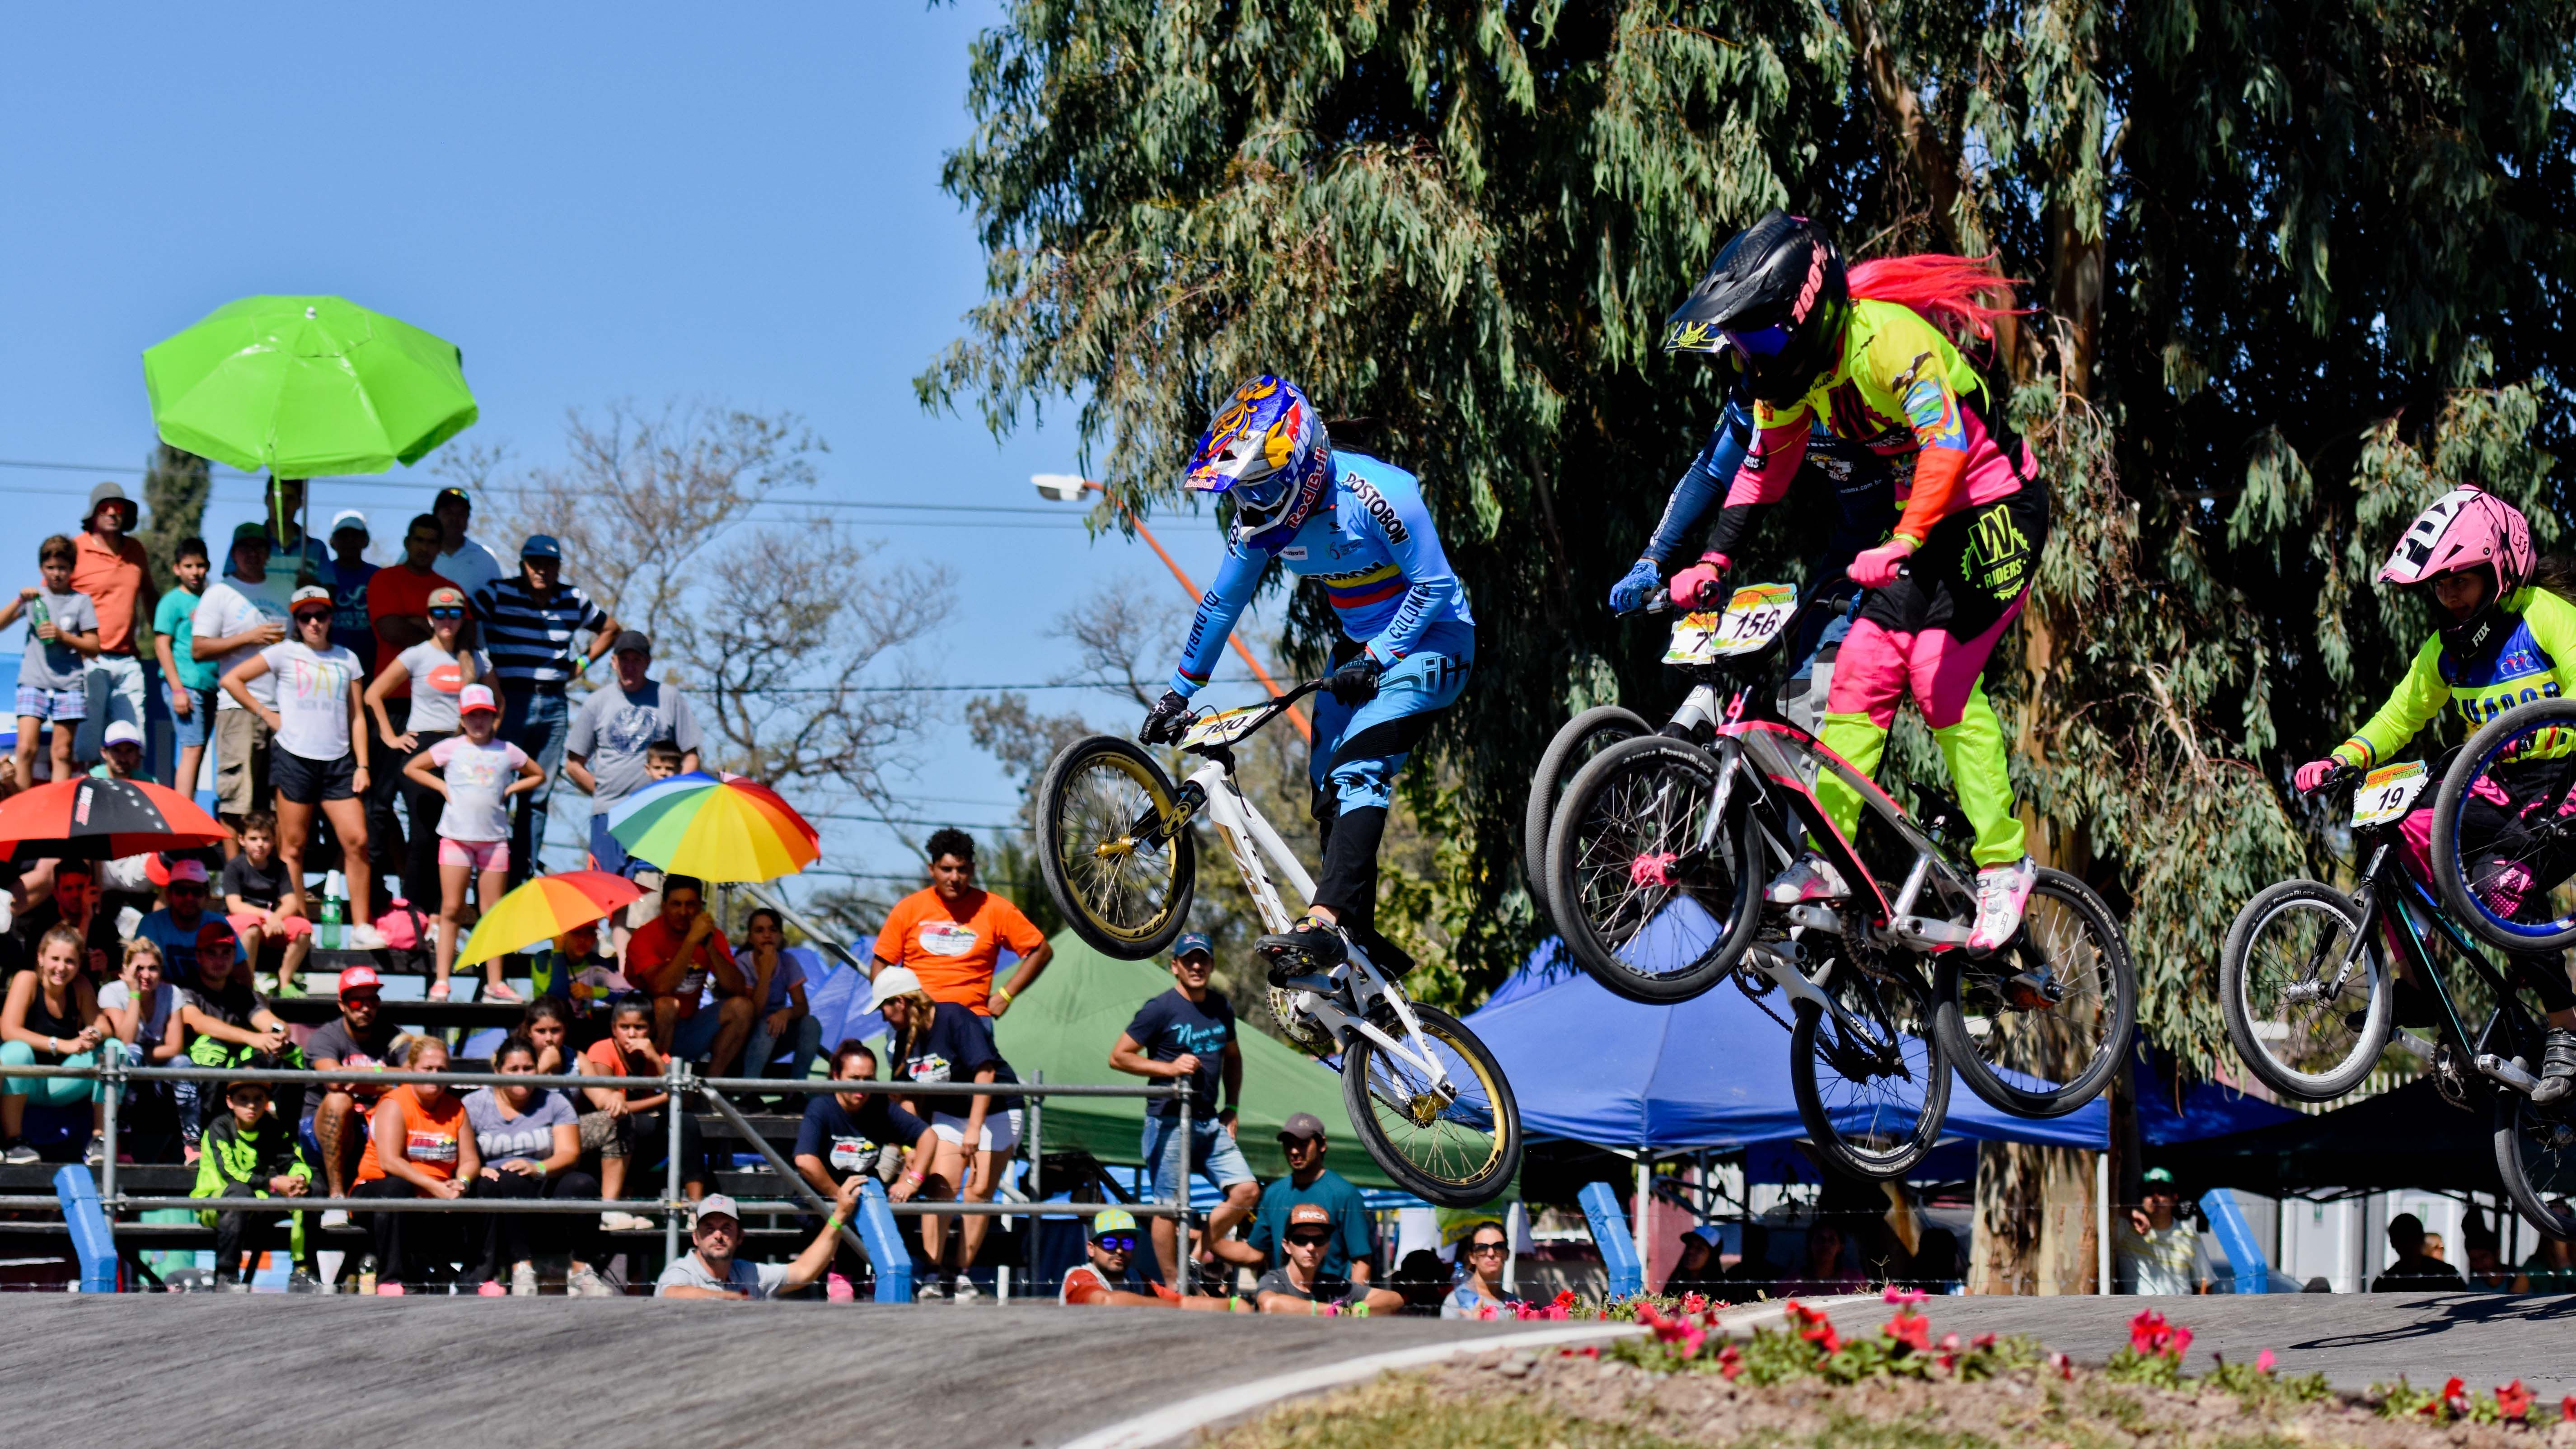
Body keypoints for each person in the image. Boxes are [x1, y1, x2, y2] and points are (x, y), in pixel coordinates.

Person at [1662, 215, 2047, 948]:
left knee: (1937, 680)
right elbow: (1759, 470)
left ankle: (2004, 863)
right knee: (1859, 673)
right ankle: (1829, 859)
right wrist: (1714, 558)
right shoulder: (1789, 381)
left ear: (1807, 315)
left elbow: (1945, 446)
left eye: (1762, 340)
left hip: (1997, 504)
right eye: (1740, 346)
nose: (1753, 359)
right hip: (1925, 526)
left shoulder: (1888, 342)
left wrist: (1900, 539)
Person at [1138, 376, 1475, 982]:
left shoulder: (1379, 494)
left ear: (1306, 460)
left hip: (1432, 641)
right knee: (1327, 793)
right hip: (1355, 653)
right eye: (1245, 490)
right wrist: (1177, 693)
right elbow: (1220, 606)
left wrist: (1378, 656)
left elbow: (1435, 587)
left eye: (1264, 486)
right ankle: (1360, 945)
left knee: (1358, 769)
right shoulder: (1257, 526)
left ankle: (1324, 921)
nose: (1255, 502)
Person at [2292, 487, 2576, 1102]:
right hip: (2497, 794)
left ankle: (2564, 1028)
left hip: (2564, 788)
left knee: (2500, 887)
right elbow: (2400, 716)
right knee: (2380, 820)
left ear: (2498, 569)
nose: (2447, 595)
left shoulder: (2546, 617)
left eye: (2459, 580)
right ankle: (2416, 984)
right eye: (2438, 584)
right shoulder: (2445, 652)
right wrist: (2342, 760)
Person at [222, 584, 383, 947]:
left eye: (321, 615)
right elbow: (232, 680)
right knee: (292, 847)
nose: (314, 623)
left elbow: (358, 716)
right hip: (295, 758)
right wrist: (267, 713)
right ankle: (299, 925)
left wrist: (363, 765)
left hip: (340, 762)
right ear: (296, 621)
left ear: (331, 618)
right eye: (305, 616)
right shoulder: (283, 653)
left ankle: (361, 926)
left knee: (357, 841)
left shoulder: (348, 658)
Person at [1110, 931, 1259, 1284]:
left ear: (1211, 965)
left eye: (1203, 959)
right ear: (1174, 966)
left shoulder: (1221, 1007)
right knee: (1169, 1208)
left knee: (1248, 1191)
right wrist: (1169, 1069)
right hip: (1168, 1121)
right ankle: (1173, 1284)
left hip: (1209, 1121)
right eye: (1189, 959)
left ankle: (1195, 1256)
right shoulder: (1159, 1008)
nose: (1196, 965)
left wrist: (1233, 1107)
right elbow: (1119, 1057)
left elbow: (1234, 1059)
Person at [874, 965, 1024, 1300]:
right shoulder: (903, 1041)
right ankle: (931, 1272)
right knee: (939, 1187)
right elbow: (905, 1096)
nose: (883, 1017)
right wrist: (912, 1147)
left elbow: (985, 1072)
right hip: (950, 1113)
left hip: (997, 1109)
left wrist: (974, 1128)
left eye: (884, 1007)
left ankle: (962, 1275)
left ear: (901, 1002)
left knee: (978, 1192)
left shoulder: (955, 1018)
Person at [403, 684, 541, 1000]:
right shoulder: (451, 748)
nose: (479, 722)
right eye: (472, 716)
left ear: (494, 718)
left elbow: (537, 774)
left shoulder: (507, 751)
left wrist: (511, 790)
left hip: (494, 841)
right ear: (463, 719)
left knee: (491, 912)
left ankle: (495, 983)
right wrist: (441, 787)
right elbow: (412, 767)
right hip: (456, 838)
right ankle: (442, 980)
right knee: (451, 908)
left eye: (485, 715)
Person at [463, 1035, 614, 1296]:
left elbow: (569, 1154)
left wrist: (540, 1168)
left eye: (528, 1068)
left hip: (545, 1175)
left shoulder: (555, 1102)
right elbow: (464, 1153)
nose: (522, 1076)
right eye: (514, 1070)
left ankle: (581, 1271)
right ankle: (522, 1268)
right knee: (508, 1178)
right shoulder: (475, 1105)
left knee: (583, 1184)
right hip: (499, 1184)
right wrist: (477, 1168)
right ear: (498, 1071)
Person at [366, 583, 484, 907]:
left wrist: (485, 737)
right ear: (429, 618)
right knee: (422, 836)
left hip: (461, 749)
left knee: (456, 837)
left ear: (463, 618)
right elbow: (373, 694)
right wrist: (391, 737)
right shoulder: (417, 654)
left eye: (455, 613)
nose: (448, 620)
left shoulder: (475, 659)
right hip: (422, 748)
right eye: (440, 613)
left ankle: (446, 911)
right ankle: (416, 910)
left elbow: (497, 703)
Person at [564, 630, 702, 881]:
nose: (629, 666)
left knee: (649, 892)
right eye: (623, 659)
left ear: (648, 663)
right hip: (609, 817)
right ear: (613, 662)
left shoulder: (669, 698)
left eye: (636, 660)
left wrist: (674, 796)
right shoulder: (597, 702)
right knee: (609, 893)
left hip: (656, 816)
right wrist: (605, 792)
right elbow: (574, 765)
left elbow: (690, 756)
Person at [352, 1033, 485, 1292]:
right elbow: (390, 1162)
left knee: (488, 1187)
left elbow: (470, 1160)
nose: (435, 1075)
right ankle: (392, 1279)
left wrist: (462, 1183)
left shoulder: (456, 1108)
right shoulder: (395, 1103)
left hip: (437, 1196)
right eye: (428, 1069)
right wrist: (435, 1188)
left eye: (442, 1070)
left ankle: (479, 1277)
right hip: (380, 1192)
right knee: (396, 1189)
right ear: (411, 1070)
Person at [872, 828, 1052, 1018]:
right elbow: (880, 965)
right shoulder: (908, 909)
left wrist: (1005, 996)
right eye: (946, 869)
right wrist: (894, 1008)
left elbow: (1041, 951)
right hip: (919, 1020)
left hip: (972, 1020)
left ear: (972, 870)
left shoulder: (995, 909)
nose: (955, 878)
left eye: (962, 870)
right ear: (932, 870)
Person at [192, 523, 295, 841]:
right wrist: (248, 637)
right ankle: (235, 880)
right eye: (245, 548)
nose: (252, 554)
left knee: (280, 804)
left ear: (268, 553)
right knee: (238, 800)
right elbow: (199, 648)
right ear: (234, 553)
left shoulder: (286, 586)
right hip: (238, 707)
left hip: (286, 709)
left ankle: (275, 882)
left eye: (259, 548)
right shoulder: (221, 592)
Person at [175, 927, 300, 1155]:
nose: (220, 960)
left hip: (239, 1069)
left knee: (288, 1060)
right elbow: (197, 1022)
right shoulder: (186, 990)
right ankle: (203, 1141)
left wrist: (279, 1034)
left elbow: (270, 1022)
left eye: (226, 953)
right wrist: (253, 1038)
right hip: (195, 1069)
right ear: (199, 956)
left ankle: (285, 1142)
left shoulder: (243, 993)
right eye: (212, 953)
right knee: (212, 1051)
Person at [581, 995, 708, 1216]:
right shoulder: (602, 1051)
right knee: (639, 1124)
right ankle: (620, 1199)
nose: (632, 1034)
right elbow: (610, 1106)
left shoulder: (656, 1054)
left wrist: (656, 1060)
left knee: (686, 1122)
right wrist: (664, 1098)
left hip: (642, 1138)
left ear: (651, 1030)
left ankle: (697, 1208)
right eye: (625, 1027)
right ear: (614, 1029)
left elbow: (686, 1100)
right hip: (607, 1137)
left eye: (640, 1027)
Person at [0, 925, 115, 1165]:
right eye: (55, 959)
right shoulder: (27, 980)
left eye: (70, 961)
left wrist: (93, 1033)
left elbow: (105, 1026)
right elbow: (9, 1030)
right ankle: (13, 1142)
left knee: (115, 1051)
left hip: (60, 1083)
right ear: (41, 957)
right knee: (16, 1051)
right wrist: (62, 1045)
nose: (61, 968)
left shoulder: (81, 986)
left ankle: (100, 1140)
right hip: (23, 1081)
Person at [304, 964, 410, 1225]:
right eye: (356, 1000)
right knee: (340, 1101)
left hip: (376, 1125)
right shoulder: (325, 1037)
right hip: (323, 1129)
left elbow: (415, 1079)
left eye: (372, 1000)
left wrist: (360, 1075)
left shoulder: (395, 1035)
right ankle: (337, 1198)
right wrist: (387, 1081)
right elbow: (336, 1080)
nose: (365, 1008)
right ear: (342, 1004)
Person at [189, 1079, 313, 1290]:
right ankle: (226, 1275)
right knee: (240, 1192)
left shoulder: (272, 1127)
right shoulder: (219, 1128)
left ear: (267, 1101)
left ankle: (303, 1271)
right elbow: (231, 1174)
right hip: (216, 1204)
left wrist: (299, 1180)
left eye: (258, 1099)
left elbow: (292, 1160)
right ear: (230, 1102)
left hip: (256, 1204)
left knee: (309, 1193)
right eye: (243, 1099)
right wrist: (274, 1183)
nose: (251, 1105)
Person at [3, 534, 102, 789]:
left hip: (68, 684)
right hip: (33, 682)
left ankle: (55, 820)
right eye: (51, 568)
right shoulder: (35, 599)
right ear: (41, 569)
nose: (56, 574)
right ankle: (23, 813)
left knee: (62, 752)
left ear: (72, 569)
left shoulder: (81, 602)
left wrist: (62, 636)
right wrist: (19, 600)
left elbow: (94, 647)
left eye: (62, 568)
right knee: (25, 749)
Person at [623, 874, 754, 1066]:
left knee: (743, 1007)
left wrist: (709, 947)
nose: (683, 912)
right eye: (676, 904)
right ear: (663, 906)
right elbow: (660, 988)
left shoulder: (711, 935)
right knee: (668, 1005)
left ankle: (710, 1089)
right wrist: (691, 941)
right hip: (649, 1031)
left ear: (700, 906)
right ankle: (654, 1084)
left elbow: (737, 988)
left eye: (690, 904)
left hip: (691, 1027)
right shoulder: (645, 936)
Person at [655, 1182, 866, 1299]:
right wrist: (728, 1298)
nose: (718, 1235)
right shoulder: (681, 1271)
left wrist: (839, 1216)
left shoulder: (748, 1273)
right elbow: (672, 1293)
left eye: (726, 1228)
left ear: (740, 1237)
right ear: (696, 1238)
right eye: (709, 1229)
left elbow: (803, 1272)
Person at [71, 481, 156, 749]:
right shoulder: (76, 549)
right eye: (104, 507)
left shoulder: (136, 551)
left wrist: (168, 640)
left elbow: (151, 597)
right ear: (93, 514)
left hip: (129, 660)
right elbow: (54, 598)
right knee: (86, 742)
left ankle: (126, 792)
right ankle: (84, 790)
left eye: (117, 507)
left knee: (132, 742)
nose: (112, 513)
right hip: (87, 660)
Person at [1063, 1207, 1247, 1310]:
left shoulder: (1135, 1279)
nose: (1119, 1249)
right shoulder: (1078, 1277)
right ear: (1091, 1249)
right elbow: (1107, 1302)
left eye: (1127, 1243)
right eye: (1110, 1242)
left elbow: (1183, 1302)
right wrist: (1172, 1308)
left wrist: (1232, 1304)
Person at [98, 937, 185, 1147]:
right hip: (127, 1064)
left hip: (156, 1064)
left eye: (153, 969)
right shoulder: (111, 992)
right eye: (139, 968)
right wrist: (134, 994)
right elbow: (125, 1041)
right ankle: (123, 1136)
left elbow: (175, 1047)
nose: (146, 975)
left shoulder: (171, 993)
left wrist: (144, 1055)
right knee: (133, 1052)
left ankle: (191, 1141)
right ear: (126, 970)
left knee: (183, 1064)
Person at [153, 535, 218, 799]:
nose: (195, 572)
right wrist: (178, 690)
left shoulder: (212, 598)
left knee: (198, 750)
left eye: (200, 566)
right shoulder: (172, 601)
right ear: (176, 568)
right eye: (188, 566)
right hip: (186, 686)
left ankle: (189, 814)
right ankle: (184, 819)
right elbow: (161, 645)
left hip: (210, 686)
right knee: (191, 749)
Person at [1256, 1201, 1406, 1315]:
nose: (1311, 1247)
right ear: (1286, 1246)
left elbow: (1394, 1299)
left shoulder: (1334, 1285)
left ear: (1327, 1246)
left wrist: (1356, 1311)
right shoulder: (1274, 1280)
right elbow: (1270, 1304)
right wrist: (1332, 1311)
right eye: (1301, 1240)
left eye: (1319, 1240)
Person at [220, 812, 312, 992]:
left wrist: (276, 918)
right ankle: (248, 983)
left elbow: (291, 902)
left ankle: (285, 981)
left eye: (266, 839)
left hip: (271, 923)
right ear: (241, 840)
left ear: (273, 840)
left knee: (304, 928)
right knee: (252, 927)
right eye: (253, 839)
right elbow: (234, 905)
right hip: (242, 922)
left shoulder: (279, 867)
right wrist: (267, 916)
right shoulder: (235, 867)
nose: (260, 844)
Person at [737, 906, 819, 1084]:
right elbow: (753, 1013)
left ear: (781, 936)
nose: (767, 935)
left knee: (811, 1025)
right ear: (751, 938)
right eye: (760, 931)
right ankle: (748, 1091)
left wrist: (785, 1013)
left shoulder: (788, 961)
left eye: (773, 930)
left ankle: (796, 1088)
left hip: (775, 1034)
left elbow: (802, 1007)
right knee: (767, 1026)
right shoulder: (742, 964)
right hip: (743, 1039)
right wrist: (766, 972)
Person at [2113, 1167, 2211, 1295]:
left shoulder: (2189, 1236)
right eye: (2149, 1193)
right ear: (2141, 1199)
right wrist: (2130, 1213)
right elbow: (2099, 1212)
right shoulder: (2125, 1229)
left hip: (2178, 1313)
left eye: (2162, 1192)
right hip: (2139, 1314)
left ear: (2174, 1198)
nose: (2155, 1198)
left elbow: (2205, 1284)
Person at [429, 486, 506, 607]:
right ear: (435, 517)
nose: (455, 519)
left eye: (461, 514)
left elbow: (500, 604)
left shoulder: (486, 558)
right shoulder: (417, 553)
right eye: (448, 513)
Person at [2371, 1212, 2467, 1291]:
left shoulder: (2447, 1275)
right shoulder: (2385, 1282)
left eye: (2411, 1238)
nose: (2408, 1244)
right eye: (2403, 1239)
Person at [1443, 1220, 1519, 1318]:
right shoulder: (1456, 1301)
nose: (1491, 1253)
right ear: (1472, 1257)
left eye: (1499, 1247)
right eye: (1482, 1248)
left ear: (1507, 1254)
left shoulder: (1516, 1304)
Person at [1782, 1222, 1867, 1297]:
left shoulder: (1855, 1282)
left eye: (1832, 1240)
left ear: (1841, 1247)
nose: (1826, 1245)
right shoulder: (1789, 1285)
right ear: (1810, 1245)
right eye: (1820, 1239)